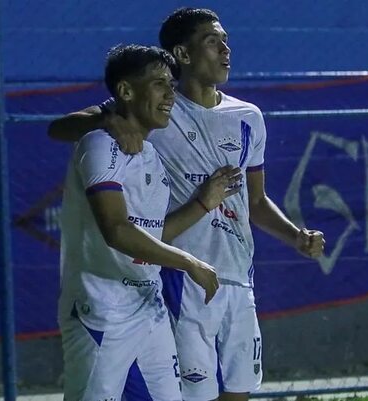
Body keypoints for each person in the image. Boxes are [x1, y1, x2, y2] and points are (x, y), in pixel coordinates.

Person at [50, 8, 325, 401]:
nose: (226, 50)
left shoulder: (247, 117)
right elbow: (59, 128)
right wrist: (107, 121)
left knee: (237, 391)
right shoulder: (152, 110)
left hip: (235, 273)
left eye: (226, 41)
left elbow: (256, 200)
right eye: (213, 42)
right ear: (182, 53)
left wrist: (295, 236)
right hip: (178, 278)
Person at [57, 43, 243, 401]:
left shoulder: (151, 156)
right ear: (126, 91)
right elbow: (117, 230)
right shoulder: (99, 144)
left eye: (172, 84)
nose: (170, 93)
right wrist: (189, 262)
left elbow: (152, 235)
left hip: (147, 306)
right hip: (101, 311)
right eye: (159, 83)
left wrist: (204, 202)